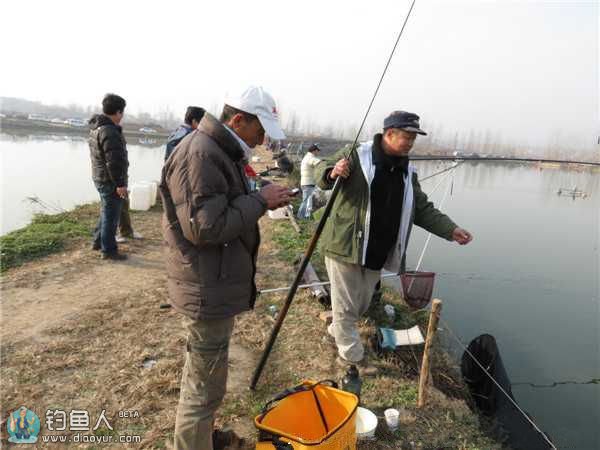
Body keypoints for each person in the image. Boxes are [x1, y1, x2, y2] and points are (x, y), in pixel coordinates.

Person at [160, 86, 292, 450]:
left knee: (208, 379)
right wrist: (259, 200)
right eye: (259, 129)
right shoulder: (201, 154)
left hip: (213, 282)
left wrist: (258, 193)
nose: (263, 139)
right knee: (202, 388)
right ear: (237, 120)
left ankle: (203, 438)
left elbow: (223, 202)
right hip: (206, 286)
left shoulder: (221, 151)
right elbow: (206, 227)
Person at [315, 111, 473, 369]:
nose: (411, 143)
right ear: (389, 134)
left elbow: (421, 208)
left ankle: (338, 329)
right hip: (345, 243)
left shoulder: (406, 171)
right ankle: (351, 357)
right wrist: (333, 171)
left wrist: (450, 230)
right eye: (407, 137)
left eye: (414, 138)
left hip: (378, 248)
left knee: (362, 301)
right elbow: (320, 168)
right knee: (345, 303)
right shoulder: (358, 153)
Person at [89, 93, 129, 260]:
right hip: (109, 180)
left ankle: (98, 241)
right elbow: (113, 161)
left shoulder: (96, 127)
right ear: (118, 112)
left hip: (100, 177)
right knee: (111, 217)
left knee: (107, 212)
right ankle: (109, 251)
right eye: (122, 113)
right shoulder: (109, 131)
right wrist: (120, 184)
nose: (122, 117)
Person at [297, 143, 322, 219]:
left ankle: (306, 216)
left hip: (306, 182)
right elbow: (318, 162)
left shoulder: (306, 157)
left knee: (308, 200)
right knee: (306, 200)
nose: (318, 153)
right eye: (318, 151)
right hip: (308, 183)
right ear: (314, 151)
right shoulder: (310, 157)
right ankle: (300, 216)